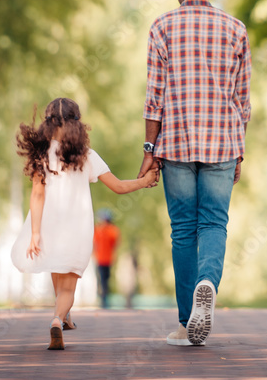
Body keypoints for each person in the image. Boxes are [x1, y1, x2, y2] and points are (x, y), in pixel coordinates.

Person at [138, 0, 252, 347]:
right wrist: (239, 149)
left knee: (183, 229)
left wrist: (150, 148)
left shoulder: (162, 27)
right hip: (223, 141)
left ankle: (188, 321)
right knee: (214, 224)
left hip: (176, 144)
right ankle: (208, 282)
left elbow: (155, 96)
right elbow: (242, 101)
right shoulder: (235, 29)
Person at [10, 97, 157, 350]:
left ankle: (63, 316)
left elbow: (37, 194)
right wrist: (144, 182)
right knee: (69, 288)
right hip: (77, 228)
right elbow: (119, 187)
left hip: (49, 226)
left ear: (47, 124)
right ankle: (57, 319)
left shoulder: (42, 155)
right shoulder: (87, 156)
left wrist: (35, 233)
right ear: (78, 124)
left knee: (58, 274)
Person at [93, 209, 120, 308]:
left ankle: (104, 298)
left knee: (104, 279)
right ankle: (102, 298)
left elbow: (114, 242)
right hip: (100, 258)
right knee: (102, 279)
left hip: (106, 259)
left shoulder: (110, 230)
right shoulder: (110, 229)